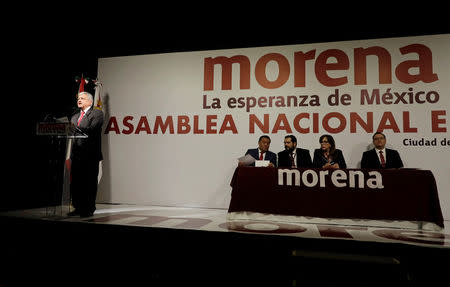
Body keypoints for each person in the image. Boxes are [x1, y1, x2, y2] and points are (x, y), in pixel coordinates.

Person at [68, 91, 104, 217]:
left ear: (90, 101)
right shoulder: (74, 117)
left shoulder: (97, 113)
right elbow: (71, 133)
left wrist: (72, 128)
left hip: (90, 155)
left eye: (82, 98)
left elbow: (92, 130)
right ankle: (77, 207)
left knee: (88, 183)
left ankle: (88, 209)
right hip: (76, 154)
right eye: (78, 98)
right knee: (76, 183)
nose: (79, 100)